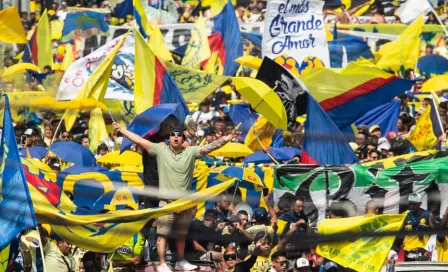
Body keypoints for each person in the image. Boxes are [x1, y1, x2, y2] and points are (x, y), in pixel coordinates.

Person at [112, 122, 240, 272]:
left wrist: (228, 137)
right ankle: (161, 264)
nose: (176, 137)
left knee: (181, 235)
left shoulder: (190, 152)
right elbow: (139, 140)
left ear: (183, 138)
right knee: (163, 233)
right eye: (173, 134)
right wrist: (122, 130)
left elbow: (210, 147)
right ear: (169, 139)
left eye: (179, 135)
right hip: (167, 202)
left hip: (184, 203)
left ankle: (180, 261)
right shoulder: (161, 150)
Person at [396, 193, 433, 261]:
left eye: (414, 204)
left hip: (423, 253)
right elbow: (399, 235)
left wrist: (428, 250)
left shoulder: (427, 215)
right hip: (408, 253)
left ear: (420, 203)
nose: (411, 206)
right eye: (410, 203)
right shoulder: (404, 215)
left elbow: (433, 234)